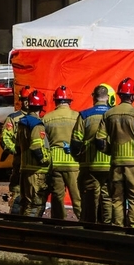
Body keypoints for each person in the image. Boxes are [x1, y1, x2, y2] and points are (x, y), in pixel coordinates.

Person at [95, 77, 134, 228]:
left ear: (119, 95)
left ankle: (117, 228)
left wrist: (111, 151)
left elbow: (100, 141)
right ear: (133, 95)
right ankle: (133, 226)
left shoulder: (108, 115)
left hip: (116, 164)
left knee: (117, 198)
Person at [72, 83, 114, 224]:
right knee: (107, 198)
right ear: (108, 97)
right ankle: (108, 228)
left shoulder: (84, 115)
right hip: (110, 165)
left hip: (89, 165)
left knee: (89, 199)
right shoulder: (113, 114)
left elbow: (76, 142)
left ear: (93, 97)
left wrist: (78, 157)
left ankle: (89, 229)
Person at [42, 86, 81, 220]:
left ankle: (58, 225)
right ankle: (85, 224)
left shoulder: (47, 118)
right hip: (73, 163)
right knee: (78, 197)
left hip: (55, 163)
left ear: (55, 101)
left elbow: (43, 143)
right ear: (70, 101)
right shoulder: (77, 117)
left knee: (57, 198)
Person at [16, 90, 51, 217]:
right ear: (41, 106)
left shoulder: (22, 122)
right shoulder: (37, 124)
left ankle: (21, 231)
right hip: (36, 171)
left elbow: (17, 144)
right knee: (36, 205)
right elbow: (36, 146)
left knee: (26, 204)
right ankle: (31, 231)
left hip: (25, 168)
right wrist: (45, 160)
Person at [0, 86, 33, 214]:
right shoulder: (13, 118)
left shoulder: (40, 119)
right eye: (24, 99)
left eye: (28, 99)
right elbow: (5, 138)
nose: (26, 102)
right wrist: (16, 150)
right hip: (19, 163)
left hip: (34, 165)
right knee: (17, 193)